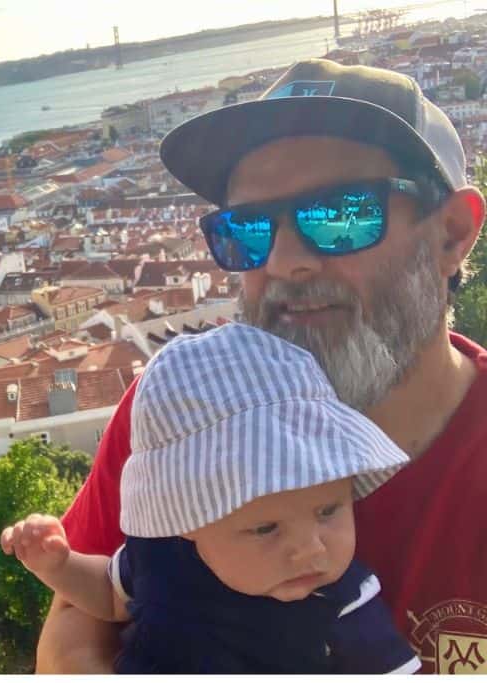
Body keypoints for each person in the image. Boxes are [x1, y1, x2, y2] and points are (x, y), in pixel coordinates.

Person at [38, 58, 487, 675]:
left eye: (340, 215)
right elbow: (78, 620)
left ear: (453, 234)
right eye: (247, 229)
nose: (284, 261)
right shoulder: (180, 408)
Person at [5, 324, 417, 673]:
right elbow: (107, 596)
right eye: (265, 527)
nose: (311, 547)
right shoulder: (158, 558)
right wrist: (58, 565)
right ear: (186, 521)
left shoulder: (343, 598)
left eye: (328, 510)